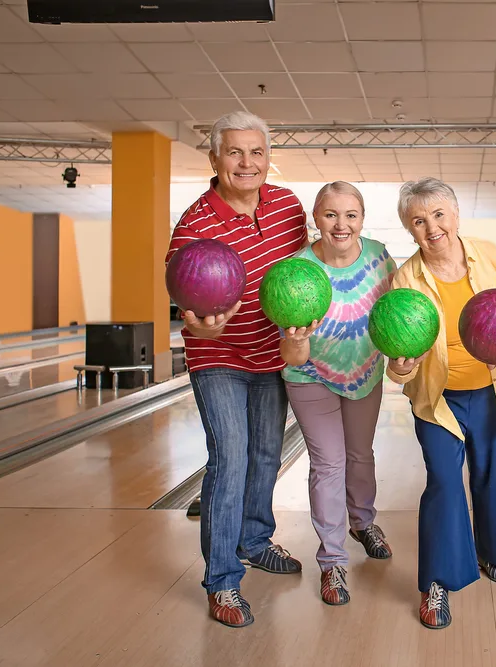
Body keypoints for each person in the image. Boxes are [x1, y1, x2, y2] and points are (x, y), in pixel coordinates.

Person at [165, 110, 307, 629]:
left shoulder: (289, 206)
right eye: (235, 152)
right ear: (214, 158)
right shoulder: (196, 222)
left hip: (274, 355)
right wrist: (202, 328)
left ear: (268, 159)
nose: (247, 163)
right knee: (230, 458)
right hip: (218, 356)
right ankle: (222, 581)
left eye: (257, 152)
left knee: (267, 454)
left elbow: (302, 276)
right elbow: (188, 307)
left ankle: (254, 540)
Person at [385, 176, 496, 630]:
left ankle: (495, 556)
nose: (431, 228)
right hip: (437, 399)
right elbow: (397, 365)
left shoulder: (490, 257)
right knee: (445, 485)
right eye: (418, 220)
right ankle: (437, 583)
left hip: (492, 388)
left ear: (454, 215)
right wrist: (403, 365)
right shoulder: (405, 278)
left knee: (493, 475)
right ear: (409, 229)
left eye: (438, 215)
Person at [278, 181, 398, 607]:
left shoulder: (381, 257)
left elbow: (396, 318)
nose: (341, 224)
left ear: (362, 219)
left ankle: (363, 522)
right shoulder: (298, 269)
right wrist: (296, 338)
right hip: (310, 374)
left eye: (351, 214)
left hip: (365, 371)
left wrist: (403, 356)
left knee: (360, 454)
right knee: (329, 464)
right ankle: (332, 563)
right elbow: (290, 352)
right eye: (331, 214)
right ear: (316, 218)